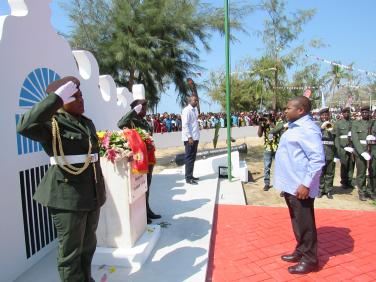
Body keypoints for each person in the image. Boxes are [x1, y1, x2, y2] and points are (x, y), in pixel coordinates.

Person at [17, 76, 106, 282]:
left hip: (91, 195)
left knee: (88, 246)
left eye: (81, 95)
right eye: (74, 97)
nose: (81, 100)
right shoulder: (51, 125)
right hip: (67, 197)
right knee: (71, 253)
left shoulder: (86, 123)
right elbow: (23, 127)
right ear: (61, 101)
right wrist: (55, 98)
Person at [273, 96, 325, 274]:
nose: (285, 111)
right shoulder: (296, 126)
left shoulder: (308, 129)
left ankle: (310, 260)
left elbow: (317, 160)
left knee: (305, 223)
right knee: (297, 221)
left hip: (300, 186)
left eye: (288, 108)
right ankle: (301, 250)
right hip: (291, 185)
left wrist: (306, 184)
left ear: (300, 110)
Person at [117, 84, 161, 223]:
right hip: (139, 158)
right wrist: (133, 112)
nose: (145, 110)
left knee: (147, 185)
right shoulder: (131, 120)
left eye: (145, 107)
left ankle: (147, 210)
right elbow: (120, 123)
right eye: (142, 107)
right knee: (140, 187)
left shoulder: (144, 121)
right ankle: (143, 215)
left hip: (149, 157)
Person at [351, 106, 376, 201]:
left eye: (367, 112)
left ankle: (371, 191)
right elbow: (355, 139)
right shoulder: (356, 124)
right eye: (363, 112)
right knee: (361, 173)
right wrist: (361, 152)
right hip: (361, 151)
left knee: (373, 172)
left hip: (373, 151)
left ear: (370, 113)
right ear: (361, 114)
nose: (365, 114)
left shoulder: (373, 123)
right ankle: (362, 192)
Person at [317, 108, 336, 199]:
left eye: (326, 115)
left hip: (330, 151)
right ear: (320, 116)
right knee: (320, 172)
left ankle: (328, 190)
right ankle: (320, 189)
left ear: (329, 115)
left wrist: (336, 154)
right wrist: (321, 128)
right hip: (320, 151)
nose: (324, 117)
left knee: (330, 172)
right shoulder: (317, 124)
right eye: (323, 115)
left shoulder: (333, 124)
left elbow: (336, 138)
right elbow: (314, 135)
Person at [334, 107, 355, 189]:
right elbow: (337, 137)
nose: (346, 114)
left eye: (348, 112)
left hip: (352, 146)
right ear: (342, 114)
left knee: (351, 164)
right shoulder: (338, 123)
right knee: (344, 164)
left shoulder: (353, 123)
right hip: (343, 147)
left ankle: (349, 181)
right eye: (344, 112)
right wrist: (338, 148)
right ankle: (344, 181)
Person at [257, 113, 278, 191]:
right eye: (264, 118)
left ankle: (282, 186)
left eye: (267, 118)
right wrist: (260, 125)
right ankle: (266, 183)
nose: (265, 119)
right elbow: (259, 135)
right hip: (267, 148)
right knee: (267, 167)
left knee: (280, 167)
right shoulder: (264, 125)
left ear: (271, 117)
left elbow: (277, 130)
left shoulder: (277, 123)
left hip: (277, 148)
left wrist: (271, 123)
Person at [182, 95, 200, 185]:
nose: (196, 102)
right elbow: (185, 125)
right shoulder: (186, 110)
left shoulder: (195, 110)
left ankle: (191, 175)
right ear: (190, 101)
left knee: (192, 158)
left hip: (195, 138)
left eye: (197, 100)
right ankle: (188, 178)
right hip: (190, 139)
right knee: (189, 158)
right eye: (195, 100)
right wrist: (189, 137)